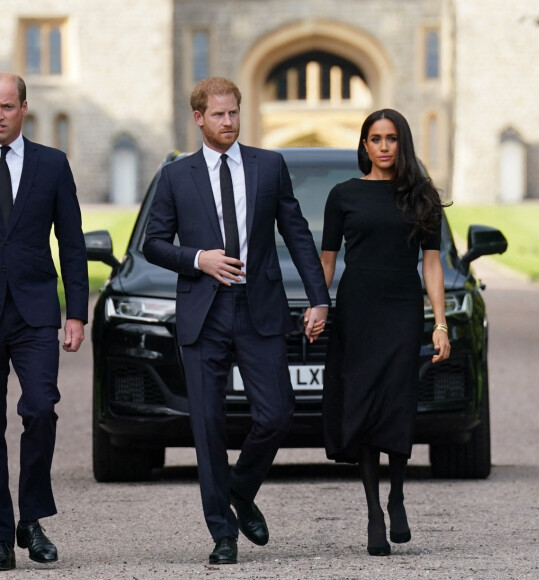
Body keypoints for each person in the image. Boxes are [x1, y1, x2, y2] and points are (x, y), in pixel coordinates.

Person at [143, 77, 329, 565]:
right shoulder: (176, 177)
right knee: (207, 427)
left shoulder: (269, 166)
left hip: (258, 308)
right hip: (203, 312)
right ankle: (222, 534)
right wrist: (199, 258)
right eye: (219, 115)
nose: (228, 122)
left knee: (277, 414)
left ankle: (240, 490)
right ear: (199, 118)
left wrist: (319, 297)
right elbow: (153, 243)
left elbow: (298, 233)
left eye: (234, 113)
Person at [317, 109, 451, 557]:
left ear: (402, 143)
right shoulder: (343, 195)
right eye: (375, 139)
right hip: (358, 309)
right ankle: (373, 509)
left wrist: (440, 323)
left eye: (391, 138)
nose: (383, 146)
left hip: (402, 309)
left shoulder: (422, 196)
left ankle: (397, 496)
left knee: (396, 400)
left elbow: (431, 263)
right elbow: (328, 260)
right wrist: (319, 305)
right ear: (364, 145)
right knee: (363, 401)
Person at [0, 73, 88, 570]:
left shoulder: (51, 164)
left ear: (24, 108)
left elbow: (72, 244)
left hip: (35, 311)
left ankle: (30, 520)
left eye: (7, 106)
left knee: (40, 410)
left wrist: (76, 313)